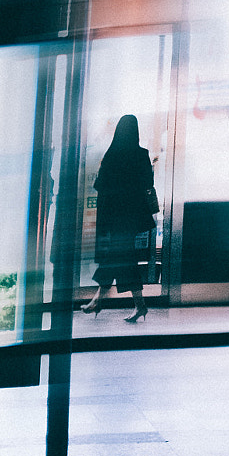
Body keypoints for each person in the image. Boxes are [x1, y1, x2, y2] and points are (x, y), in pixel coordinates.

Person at [81, 115, 157, 322]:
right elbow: (147, 183)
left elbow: (100, 185)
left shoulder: (112, 153)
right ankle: (136, 305)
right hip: (131, 218)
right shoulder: (142, 154)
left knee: (116, 258)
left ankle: (100, 302)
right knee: (122, 258)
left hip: (113, 216)